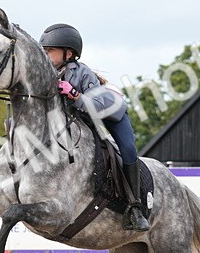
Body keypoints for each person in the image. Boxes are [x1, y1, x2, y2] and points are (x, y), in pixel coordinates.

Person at [40, 23, 149, 231]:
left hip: (109, 113)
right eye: (43, 51)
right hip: (81, 119)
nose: (45, 56)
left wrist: (74, 94)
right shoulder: (46, 73)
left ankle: (135, 207)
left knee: (127, 149)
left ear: (68, 53)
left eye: (49, 51)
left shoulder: (83, 73)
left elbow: (96, 108)